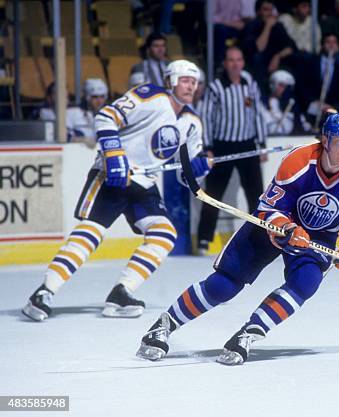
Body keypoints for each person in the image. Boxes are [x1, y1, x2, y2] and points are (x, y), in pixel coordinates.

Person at [136, 113, 339, 365]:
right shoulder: (299, 161)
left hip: (319, 236)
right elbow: (269, 208)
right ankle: (163, 326)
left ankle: (248, 334)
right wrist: (287, 227)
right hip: (272, 225)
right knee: (224, 285)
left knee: (305, 283)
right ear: (325, 140)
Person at [22, 60, 211, 321]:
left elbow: (183, 173)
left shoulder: (192, 123)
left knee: (163, 235)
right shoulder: (151, 96)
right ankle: (44, 292)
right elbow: (106, 116)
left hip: (144, 184)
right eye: (185, 80)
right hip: (112, 175)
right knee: (91, 233)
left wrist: (198, 166)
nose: (191, 86)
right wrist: (113, 154)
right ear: (171, 81)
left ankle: (121, 292)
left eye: (194, 81)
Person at [196, 47, 267, 255]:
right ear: (225, 64)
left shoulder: (249, 83)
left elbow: (258, 114)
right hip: (222, 146)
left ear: (243, 62)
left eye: (239, 59)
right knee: (213, 194)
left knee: (257, 195)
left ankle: (261, 237)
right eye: (231, 60)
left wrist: (261, 145)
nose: (235, 64)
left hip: (247, 145)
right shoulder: (216, 87)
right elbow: (206, 117)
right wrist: (208, 148)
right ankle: (203, 239)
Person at [241, 0, 296, 90]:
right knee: (257, 59)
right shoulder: (251, 26)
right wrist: (268, 27)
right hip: (257, 62)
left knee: (298, 58)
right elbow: (258, 48)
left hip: (275, 61)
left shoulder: (278, 26)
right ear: (258, 11)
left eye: (271, 10)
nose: (270, 13)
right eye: (266, 10)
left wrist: (278, 56)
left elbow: (291, 46)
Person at [66, 79, 109, 147]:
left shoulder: (108, 114)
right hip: (77, 153)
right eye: (95, 97)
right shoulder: (72, 112)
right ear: (87, 97)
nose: (99, 101)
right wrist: (80, 139)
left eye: (102, 97)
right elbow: (64, 135)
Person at [262, 69, 305, 135]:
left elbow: (302, 123)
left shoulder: (292, 105)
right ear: (273, 84)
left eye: (286, 87)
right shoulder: (263, 103)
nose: (284, 89)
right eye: (281, 85)